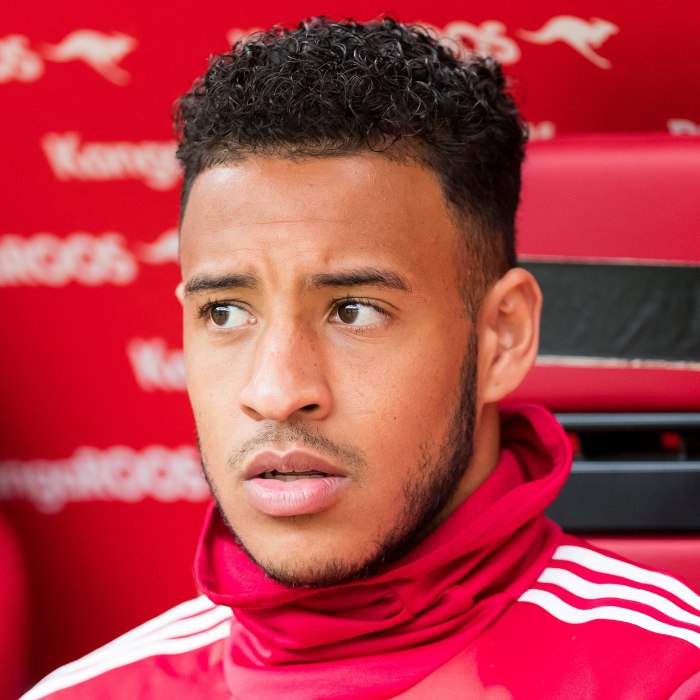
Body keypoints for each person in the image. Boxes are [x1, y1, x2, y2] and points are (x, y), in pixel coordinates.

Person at [23, 17, 700, 700]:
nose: (276, 390)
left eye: (354, 310)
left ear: (503, 336)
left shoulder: (671, 675)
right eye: (225, 313)